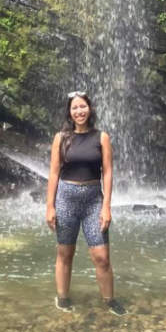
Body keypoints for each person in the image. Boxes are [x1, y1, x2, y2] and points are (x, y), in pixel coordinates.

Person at [45, 90, 125, 314]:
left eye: (83, 107)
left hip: (93, 201)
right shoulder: (61, 138)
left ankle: (109, 301)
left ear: (89, 109)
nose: (79, 111)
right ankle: (62, 298)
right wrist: (50, 206)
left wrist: (106, 206)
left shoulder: (102, 137)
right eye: (75, 108)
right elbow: (53, 173)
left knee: (102, 257)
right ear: (69, 113)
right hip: (66, 199)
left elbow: (108, 173)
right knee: (65, 253)